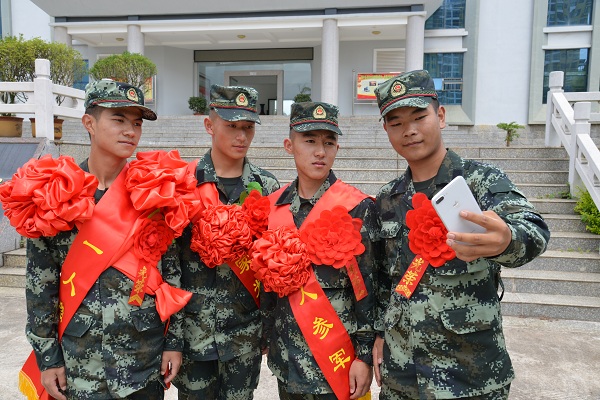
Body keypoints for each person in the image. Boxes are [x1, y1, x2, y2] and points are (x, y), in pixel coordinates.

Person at [372, 70, 551, 399]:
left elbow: (532, 228)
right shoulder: (388, 198)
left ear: (440, 116)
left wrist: (506, 240)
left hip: (470, 376)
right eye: (396, 122)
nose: (409, 130)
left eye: (419, 117)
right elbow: (386, 278)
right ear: (387, 130)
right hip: (402, 376)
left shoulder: (480, 181)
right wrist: (380, 334)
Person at [9, 79, 193, 400]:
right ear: (89, 123)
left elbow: (172, 275)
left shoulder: (155, 193)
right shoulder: (56, 195)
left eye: (136, 123)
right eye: (118, 119)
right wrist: (48, 358)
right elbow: (40, 287)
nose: (130, 131)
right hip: (80, 362)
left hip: (143, 358)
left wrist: (174, 342)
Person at [253, 102, 379, 400]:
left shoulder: (357, 207)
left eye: (329, 143)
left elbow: (367, 288)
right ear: (289, 145)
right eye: (310, 141)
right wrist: (266, 334)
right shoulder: (274, 208)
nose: (320, 151)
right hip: (287, 361)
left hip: (337, 362)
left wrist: (363, 356)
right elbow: (268, 285)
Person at [170, 84, 280, 399]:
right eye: (232, 126)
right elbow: (170, 266)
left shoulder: (266, 185)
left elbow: (271, 264)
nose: (241, 136)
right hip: (194, 333)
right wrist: (172, 338)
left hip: (244, 335)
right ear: (209, 125)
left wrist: (268, 329)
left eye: (248, 127)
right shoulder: (184, 183)